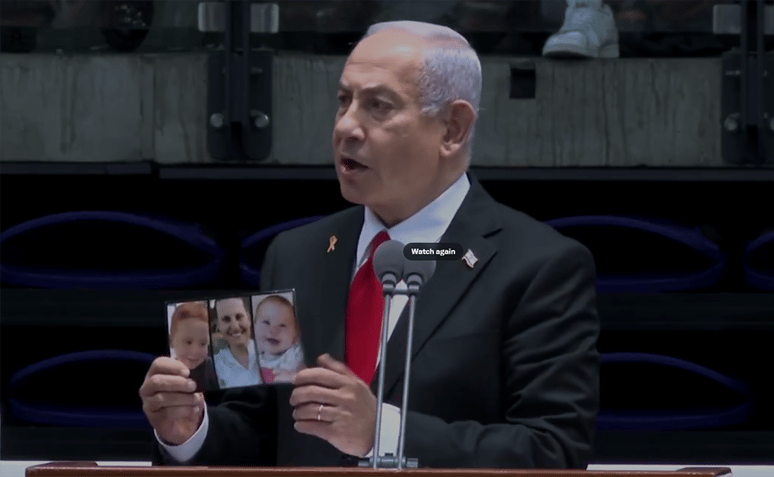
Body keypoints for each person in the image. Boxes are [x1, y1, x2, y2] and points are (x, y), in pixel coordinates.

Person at [140, 20, 599, 469]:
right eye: (344, 101)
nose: (347, 127)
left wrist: (382, 432)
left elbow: (552, 450)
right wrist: (191, 430)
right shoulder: (296, 253)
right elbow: (265, 431)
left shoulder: (539, 266)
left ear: (453, 128)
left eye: (378, 106)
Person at [210, 297, 262, 389]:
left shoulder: (269, 350)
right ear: (219, 326)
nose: (235, 326)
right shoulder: (215, 366)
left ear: (249, 319)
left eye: (239, 317)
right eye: (226, 319)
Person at [253, 294, 305, 384]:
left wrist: (294, 376)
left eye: (282, 325)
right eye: (266, 322)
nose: (273, 331)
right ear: (253, 328)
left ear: (295, 333)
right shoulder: (252, 356)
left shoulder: (296, 354)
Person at [168, 301, 218, 392]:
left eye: (203, 343)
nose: (195, 351)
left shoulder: (213, 367)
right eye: (188, 342)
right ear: (171, 341)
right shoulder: (168, 372)